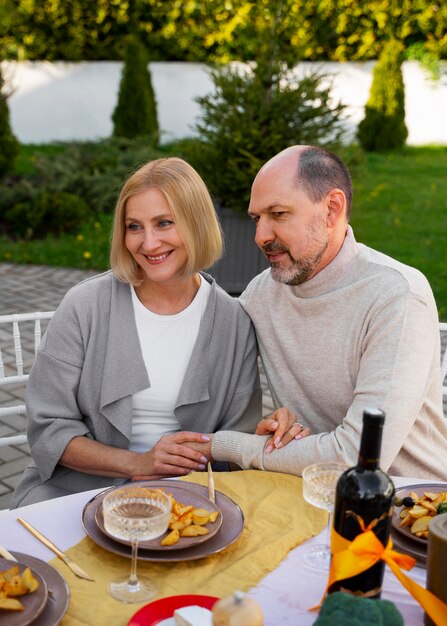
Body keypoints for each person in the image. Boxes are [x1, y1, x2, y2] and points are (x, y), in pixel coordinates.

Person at [11, 157, 305, 508]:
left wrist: (256, 439)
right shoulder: (83, 306)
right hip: (76, 491)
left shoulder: (234, 323)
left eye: (164, 223)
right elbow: (48, 429)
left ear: (196, 224)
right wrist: (137, 464)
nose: (148, 244)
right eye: (134, 227)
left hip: (189, 501)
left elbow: (232, 443)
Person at [197, 145, 447, 480]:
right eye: (257, 218)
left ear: (332, 209)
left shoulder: (396, 295)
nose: (260, 236)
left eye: (279, 214)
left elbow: (356, 459)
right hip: (308, 497)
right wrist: (279, 422)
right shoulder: (260, 295)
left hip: (412, 510)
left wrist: (223, 445)